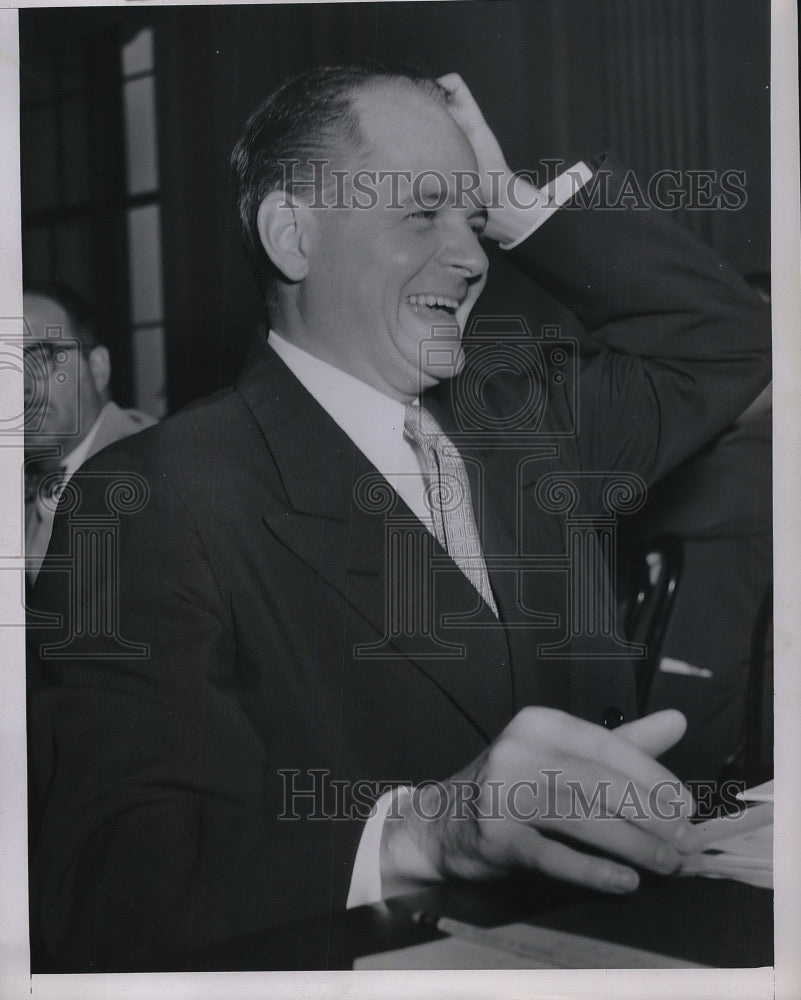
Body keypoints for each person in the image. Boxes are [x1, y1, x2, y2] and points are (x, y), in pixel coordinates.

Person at [26, 66, 770, 970]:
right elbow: (112, 879)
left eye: (473, 221)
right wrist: (424, 833)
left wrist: (506, 197)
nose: (469, 258)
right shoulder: (153, 497)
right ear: (291, 235)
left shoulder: (533, 425)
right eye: (422, 213)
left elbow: (730, 341)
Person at [23, 283, 156, 584]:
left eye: (42, 357)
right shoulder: (22, 481)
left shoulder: (155, 469)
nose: (21, 386)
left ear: (97, 368)